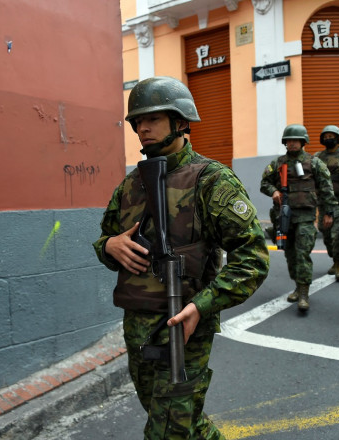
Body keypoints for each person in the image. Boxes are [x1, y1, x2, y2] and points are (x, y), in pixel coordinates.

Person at [92, 76, 269, 439]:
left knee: (167, 430)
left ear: (180, 121)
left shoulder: (211, 181)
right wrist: (109, 246)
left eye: (152, 119)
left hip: (184, 328)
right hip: (139, 328)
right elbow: (106, 238)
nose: (142, 128)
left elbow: (252, 257)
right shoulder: (130, 185)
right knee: (179, 421)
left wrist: (202, 306)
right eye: (137, 122)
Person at [260, 124, 337, 312]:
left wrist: (329, 213)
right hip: (284, 217)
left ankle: (304, 293)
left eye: (295, 140)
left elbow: (326, 188)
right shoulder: (277, 164)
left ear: (303, 142)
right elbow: (264, 183)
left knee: (302, 254)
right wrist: (274, 190)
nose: (292, 143)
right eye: (289, 140)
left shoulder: (315, 163)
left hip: (305, 216)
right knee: (290, 255)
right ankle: (297, 285)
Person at [314, 125, 339, 281]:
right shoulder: (317, 157)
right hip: (323, 203)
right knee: (326, 233)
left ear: (338, 138)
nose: (328, 138)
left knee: (338, 234)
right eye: (326, 136)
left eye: (331, 136)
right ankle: (334, 258)